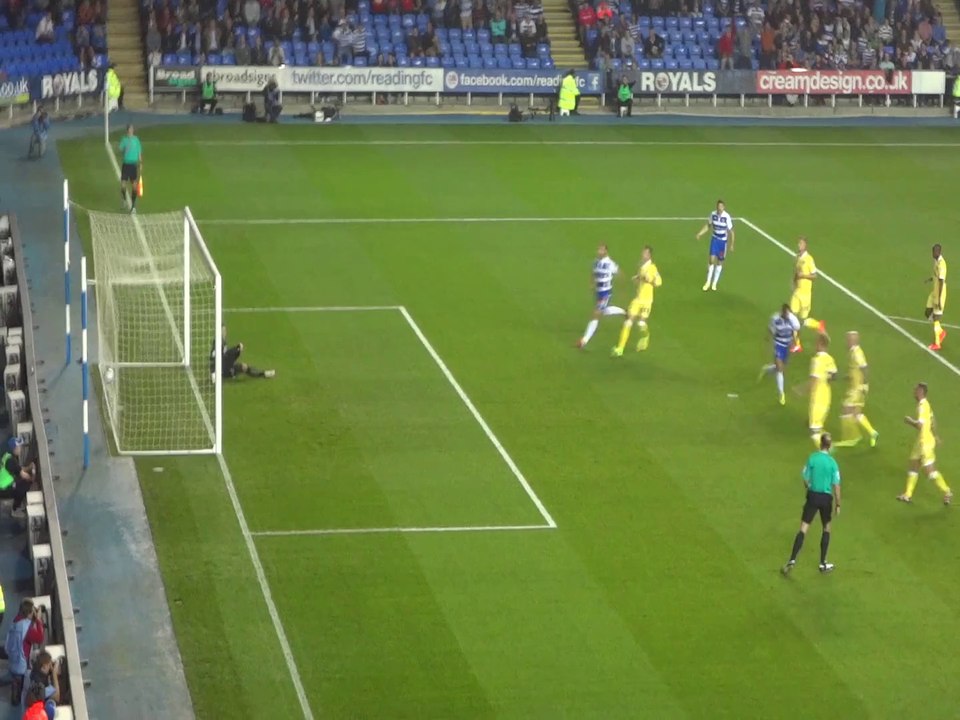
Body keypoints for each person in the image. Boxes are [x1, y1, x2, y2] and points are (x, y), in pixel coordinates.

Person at [781, 432, 841, 576]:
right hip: (826, 498)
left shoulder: (812, 458)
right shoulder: (833, 463)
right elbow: (836, 485)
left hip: (813, 496)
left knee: (803, 528)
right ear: (830, 446)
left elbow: (805, 478)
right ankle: (822, 563)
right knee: (826, 528)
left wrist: (809, 486)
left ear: (820, 444)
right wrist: (838, 504)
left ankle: (792, 560)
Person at [898, 383, 952, 505]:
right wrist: (936, 435)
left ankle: (947, 491)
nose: (913, 391)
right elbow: (932, 421)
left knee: (930, 472)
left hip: (925, 443)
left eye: (916, 390)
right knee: (913, 466)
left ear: (921, 391)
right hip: (921, 441)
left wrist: (909, 421)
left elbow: (920, 425)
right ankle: (907, 495)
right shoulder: (926, 404)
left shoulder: (922, 406)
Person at [612, 245, 662, 356]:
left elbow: (659, 282)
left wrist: (649, 280)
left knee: (640, 323)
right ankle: (620, 349)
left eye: (644, 253)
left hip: (647, 300)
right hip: (638, 299)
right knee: (628, 320)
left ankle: (645, 336)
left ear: (649, 255)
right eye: (642, 252)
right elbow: (642, 277)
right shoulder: (642, 266)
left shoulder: (652, 268)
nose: (642, 254)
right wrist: (638, 278)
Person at [835, 331, 879, 448]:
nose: (846, 342)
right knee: (856, 412)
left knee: (845, 409)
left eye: (848, 339)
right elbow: (856, 370)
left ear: (854, 340)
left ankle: (851, 438)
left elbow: (864, 368)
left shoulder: (856, 353)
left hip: (857, 388)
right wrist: (848, 377)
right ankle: (872, 433)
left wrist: (864, 384)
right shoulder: (853, 352)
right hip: (856, 386)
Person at [577, 244, 624, 348]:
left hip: (605, 293)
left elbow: (619, 273)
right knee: (604, 311)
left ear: (606, 251)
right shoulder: (596, 262)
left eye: (601, 250)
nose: (599, 251)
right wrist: (591, 283)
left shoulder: (609, 263)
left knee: (596, 313)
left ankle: (584, 340)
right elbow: (593, 273)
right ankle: (624, 312)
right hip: (598, 292)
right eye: (598, 249)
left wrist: (620, 287)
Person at [789, 236, 826, 352]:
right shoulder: (797, 258)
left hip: (805, 294)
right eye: (798, 243)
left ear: (805, 246)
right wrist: (794, 282)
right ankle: (797, 345)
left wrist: (803, 276)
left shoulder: (809, 259)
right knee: (791, 317)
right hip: (797, 292)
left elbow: (815, 276)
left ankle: (818, 325)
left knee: (802, 320)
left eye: (801, 244)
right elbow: (796, 272)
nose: (799, 245)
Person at [758, 303, 800, 406]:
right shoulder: (775, 318)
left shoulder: (792, 320)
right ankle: (781, 394)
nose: (787, 315)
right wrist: (767, 339)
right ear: (782, 312)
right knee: (780, 368)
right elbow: (771, 329)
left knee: (779, 368)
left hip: (787, 344)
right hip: (778, 344)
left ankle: (766, 369)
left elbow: (796, 331)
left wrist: (795, 343)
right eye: (785, 313)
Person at [4, 600, 44, 701]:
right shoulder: (27, 629)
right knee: (17, 690)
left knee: (11, 676)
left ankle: (12, 682)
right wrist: (38, 620)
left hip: (13, 656)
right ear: (29, 613)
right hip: (21, 661)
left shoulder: (15, 620)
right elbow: (39, 638)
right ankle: (15, 695)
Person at [210, 326, 275, 382]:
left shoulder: (222, 341)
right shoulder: (218, 342)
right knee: (243, 367)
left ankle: (264, 373)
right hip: (222, 370)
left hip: (225, 366)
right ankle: (263, 374)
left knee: (244, 366)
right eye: (223, 330)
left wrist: (237, 350)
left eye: (225, 330)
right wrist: (214, 374)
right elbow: (215, 358)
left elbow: (227, 356)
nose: (225, 332)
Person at [695, 199, 734, 292]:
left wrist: (731, 244)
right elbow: (708, 225)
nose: (719, 208)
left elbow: (731, 232)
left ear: (723, 207)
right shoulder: (713, 214)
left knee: (719, 262)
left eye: (721, 206)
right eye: (718, 206)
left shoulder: (726, 217)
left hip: (722, 242)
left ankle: (714, 283)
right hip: (715, 240)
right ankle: (708, 282)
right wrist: (700, 233)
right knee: (711, 260)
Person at [807, 333, 837, 449]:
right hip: (827, 395)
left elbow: (814, 380)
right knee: (818, 425)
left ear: (820, 344)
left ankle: (827, 453)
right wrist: (826, 379)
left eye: (816, 342)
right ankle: (829, 447)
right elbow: (834, 375)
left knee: (814, 430)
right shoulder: (830, 359)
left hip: (817, 397)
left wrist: (802, 390)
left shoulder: (817, 360)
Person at [0, 437, 35, 519]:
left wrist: (29, 467)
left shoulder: (7, 456)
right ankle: (15, 509)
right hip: (3, 489)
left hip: (3, 485)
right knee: (24, 486)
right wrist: (32, 478)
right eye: (19, 447)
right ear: (14, 449)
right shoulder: (11, 461)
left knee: (20, 481)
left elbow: (18, 469)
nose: (21, 449)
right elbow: (24, 476)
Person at [20, 651, 59, 719]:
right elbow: (57, 696)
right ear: (44, 666)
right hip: (33, 713)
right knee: (51, 708)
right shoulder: (40, 686)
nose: (50, 667)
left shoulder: (30, 673)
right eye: (49, 665)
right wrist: (54, 674)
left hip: (27, 711)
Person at [925, 243, 947, 350]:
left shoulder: (942, 264)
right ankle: (941, 332)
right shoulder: (936, 261)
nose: (932, 254)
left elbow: (942, 281)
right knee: (928, 312)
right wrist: (930, 279)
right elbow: (936, 275)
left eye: (934, 252)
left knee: (936, 318)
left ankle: (937, 343)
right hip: (934, 291)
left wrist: (939, 298)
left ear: (938, 252)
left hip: (939, 293)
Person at [118, 125, 142, 213]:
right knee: (123, 185)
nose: (131, 131)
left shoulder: (136, 140)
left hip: (133, 165)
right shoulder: (124, 140)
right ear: (127, 131)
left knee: (134, 186)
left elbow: (139, 151)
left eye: (132, 129)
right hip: (126, 165)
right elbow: (120, 149)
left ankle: (133, 206)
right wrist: (125, 148)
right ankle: (124, 200)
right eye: (130, 129)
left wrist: (140, 163)